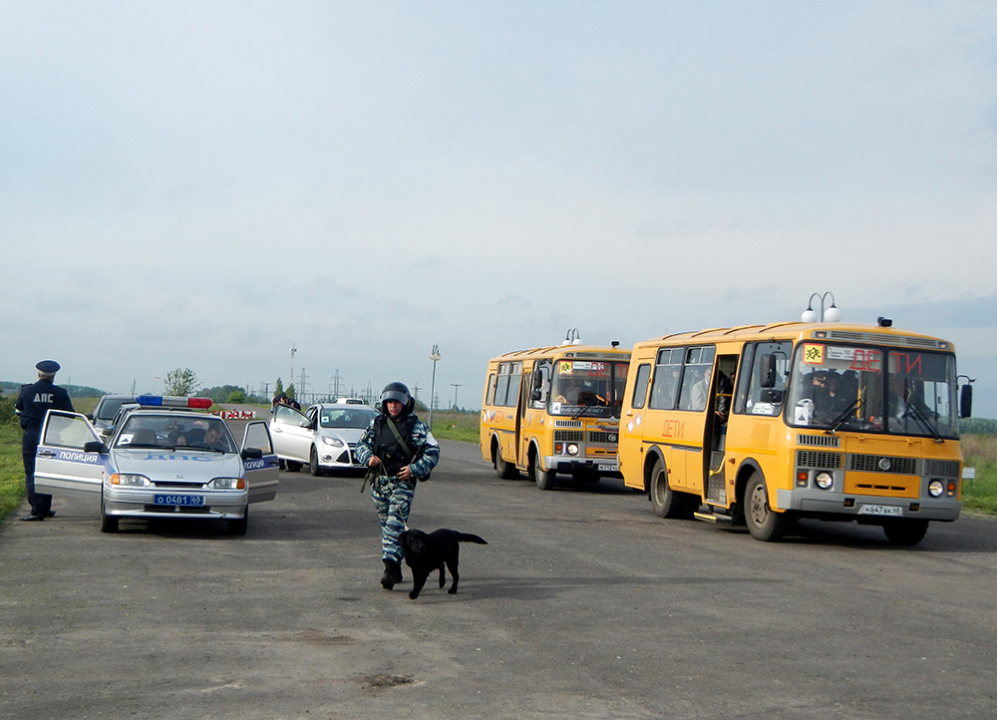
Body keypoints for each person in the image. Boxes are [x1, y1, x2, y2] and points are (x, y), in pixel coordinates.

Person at [355, 382, 440, 590]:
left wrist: (415, 469)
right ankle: (397, 566)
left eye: (397, 402)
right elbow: (360, 445)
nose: (393, 406)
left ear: (405, 403)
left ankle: (390, 568)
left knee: (394, 525)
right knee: (388, 528)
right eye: (389, 402)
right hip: (379, 483)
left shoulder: (417, 427)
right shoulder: (377, 424)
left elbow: (433, 452)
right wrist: (369, 458)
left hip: (402, 484)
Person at [15, 360, 74, 521]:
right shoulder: (60, 393)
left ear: (38, 374)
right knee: (48, 471)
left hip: (31, 433)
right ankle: (45, 508)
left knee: (32, 471)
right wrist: (58, 427)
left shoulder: (26, 391)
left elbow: (18, 410)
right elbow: (70, 416)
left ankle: (37, 510)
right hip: (51, 435)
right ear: (53, 377)